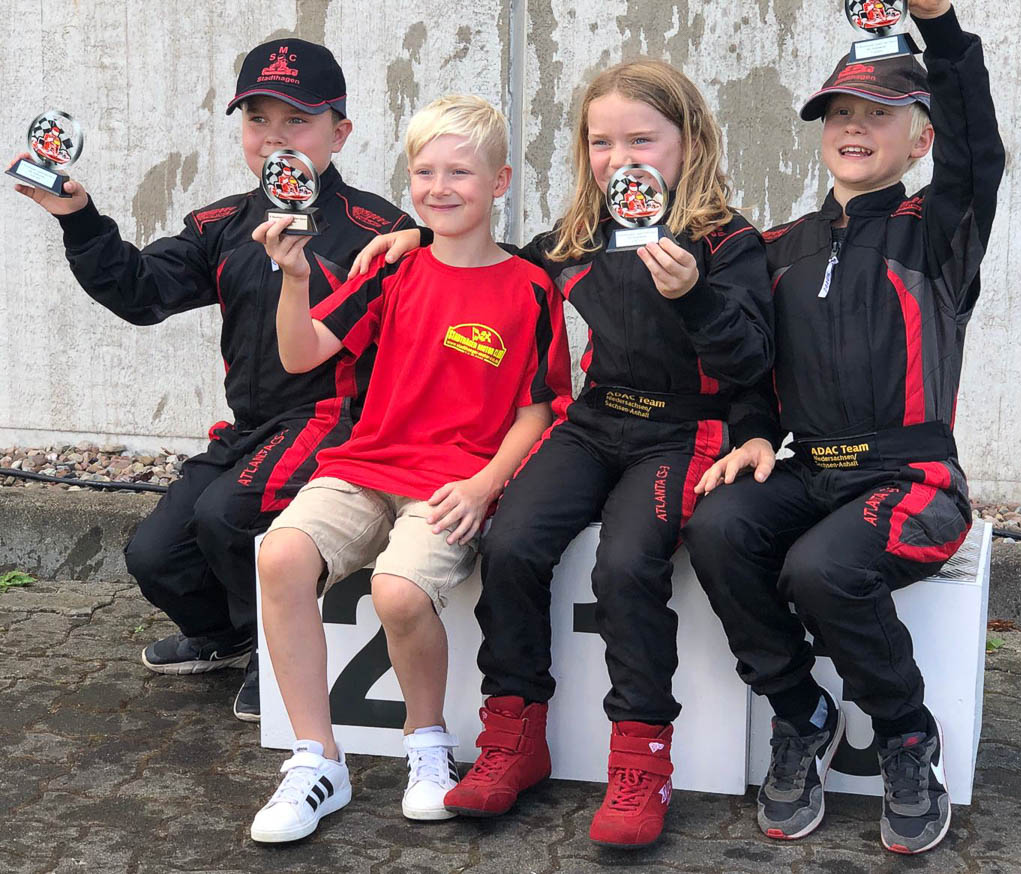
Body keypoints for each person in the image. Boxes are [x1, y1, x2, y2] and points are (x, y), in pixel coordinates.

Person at [351, 58, 774, 848]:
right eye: (601, 142)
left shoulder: (728, 239)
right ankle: (515, 737)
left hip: (684, 430)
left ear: (689, 141)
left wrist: (695, 296)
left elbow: (753, 358)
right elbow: (501, 260)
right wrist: (426, 234)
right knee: (511, 542)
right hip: (594, 419)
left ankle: (641, 761)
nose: (620, 159)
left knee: (626, 565)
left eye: (642, 140)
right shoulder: (581, 234)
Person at [7, 39, 415, 722]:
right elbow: (140, 292)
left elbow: (460, 276)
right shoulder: (220, 224)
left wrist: (427, 237)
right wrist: (79, 219)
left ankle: (277, 654)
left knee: (226, 515)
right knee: (154, 553)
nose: (274, 137)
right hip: (252, 429)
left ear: (339, 133)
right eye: (258, 119)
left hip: (336, 420)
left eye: (297, 120)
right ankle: (224, 634)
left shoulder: (379, 230)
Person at [681, 0, 1004, 855]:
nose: (855, 127)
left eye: (880, 113)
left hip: (914, 481)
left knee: (821, 568)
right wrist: (754, 431)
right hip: (810, 471)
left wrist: (941, 26)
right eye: (840, 113)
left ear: (921, 140)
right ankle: (801, 711)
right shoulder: (777, 247)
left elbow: (980, 150)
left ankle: (907, 734)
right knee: (716, 528)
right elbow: (748, 369)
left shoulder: (938, 232)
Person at [248, 95, 571, 843]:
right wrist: (293, 278)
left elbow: (540, 408)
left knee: (397, 592)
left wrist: (486, 484)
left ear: (500, 181)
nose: (439, 187)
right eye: (424, 172)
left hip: (452, 484)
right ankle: (316, 759)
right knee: (281, 555)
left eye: (460, 171)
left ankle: (428, 746)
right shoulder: (391, 268)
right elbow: (301, 354)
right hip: (365, 466)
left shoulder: (531, 286)